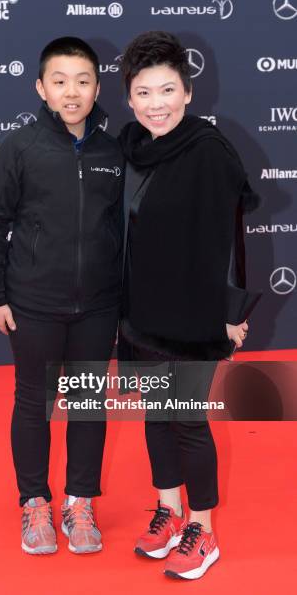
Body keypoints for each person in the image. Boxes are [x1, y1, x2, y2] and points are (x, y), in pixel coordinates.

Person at [118, 31, 259, 579]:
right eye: (145, 92)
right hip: (145, 311)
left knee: (187, 419)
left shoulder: (209, 149)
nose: (157, 103)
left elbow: (231, 237)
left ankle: (203, 530)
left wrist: (231, 312)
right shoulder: (131, 148)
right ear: (129, 97)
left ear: (189, 92)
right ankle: (169, 511)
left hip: (198, 312)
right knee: (156, 416)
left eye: (168, 90)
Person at [0, 37, 124, 555]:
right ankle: (34, 502)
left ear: (97, 87)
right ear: (41, 87)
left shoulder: (113, 150)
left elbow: (123, 230)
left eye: (83, 81)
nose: (71, 91)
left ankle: (80, 500)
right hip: (33, 301)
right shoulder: (19, 147)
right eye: (59, 81)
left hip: (100, 304)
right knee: (34, 402)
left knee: (86, 403)